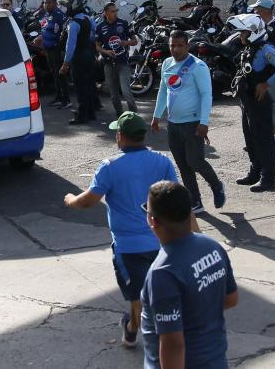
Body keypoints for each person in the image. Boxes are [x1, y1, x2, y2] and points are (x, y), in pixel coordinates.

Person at [63, 112, 200, 349]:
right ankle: (145, 329)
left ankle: (139, 334)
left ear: (120, 136)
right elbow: (181, 202)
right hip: (163, 243)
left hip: (129, 250)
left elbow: (88, 201)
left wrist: (70, 199)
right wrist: (196, 239)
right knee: (157, 293)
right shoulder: (162, 162)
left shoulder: (110, 167)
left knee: (139, 299)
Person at [140, 181, 238, 369]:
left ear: (152, 221)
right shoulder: (212, 247)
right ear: (189, 213)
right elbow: (231, 299)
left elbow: (173, 344)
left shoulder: (163, 273)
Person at [152, 30, 225, 213]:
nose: (175, 49)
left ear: (187, 45)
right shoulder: (167, 64)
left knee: (195, 161)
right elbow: (163, 91)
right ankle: (195, 202)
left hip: (193, 123)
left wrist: (204, 122)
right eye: (172, 45)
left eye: (179, 45)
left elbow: (206, 95)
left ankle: (216, 185)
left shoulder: (197, 66)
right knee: (183, 166)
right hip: (173, 123)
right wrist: (156, 115)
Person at [228, 14, 275, 192]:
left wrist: (266, 84)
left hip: (260, 102)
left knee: (264, 140)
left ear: (254, 32)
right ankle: (254, 172)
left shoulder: (265, 49)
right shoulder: (249, 48)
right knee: (251, 138)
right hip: (247, 101)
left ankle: (268, 178)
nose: (241, 36)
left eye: (244, 32)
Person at [250, 0, 275, 152]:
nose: (254, 11)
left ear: (263, 11)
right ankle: (260, 140)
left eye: (256, 9)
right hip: (259, 76)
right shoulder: (257, 27)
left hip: (273, 76)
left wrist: (268, 63)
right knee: (259, 108)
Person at [59, 0, 96, 124]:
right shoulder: (88, 18)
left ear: (73, 6)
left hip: (79, 58)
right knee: (89, 84)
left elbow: (70, 46)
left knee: (80, 86)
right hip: (89, 55)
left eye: (67, 6)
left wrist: (65, 63)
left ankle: (82, 115)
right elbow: (93, 35)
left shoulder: (73, 24)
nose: (66, 9)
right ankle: (90, 112)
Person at [95, 2, 138, 117]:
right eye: (113, 11)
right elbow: (97, 46)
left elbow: (135, 41)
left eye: (116, 11)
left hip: (123, 63)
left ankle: (134, 115)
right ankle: (120, 115)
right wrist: (105, 52)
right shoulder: (100, 27)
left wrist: (126, 42)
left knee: (126, 91)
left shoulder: (123, 23)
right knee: (113, 94)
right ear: (106, 12)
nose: (115, 13)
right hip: (108, 64)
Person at [35, 0, 70, 108]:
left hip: (56, 49)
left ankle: (66, 100)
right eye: (45, 3)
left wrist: (60, 47)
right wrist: (40, 37)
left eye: (49, 2)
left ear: (55, 3)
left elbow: (65, 32)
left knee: (60, 74)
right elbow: (45, 29)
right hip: (48, 49)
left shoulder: (59, 15)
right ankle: (59, 97)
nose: (46, 5)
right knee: (54, 73)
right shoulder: (46, 15)